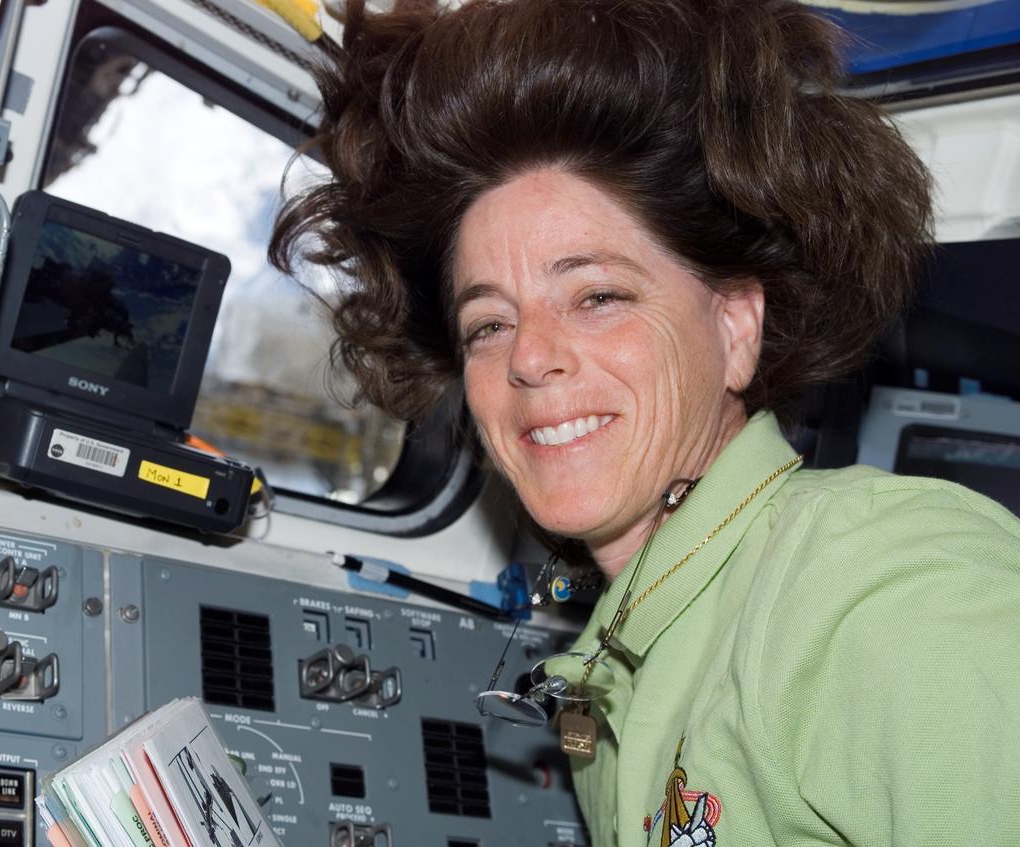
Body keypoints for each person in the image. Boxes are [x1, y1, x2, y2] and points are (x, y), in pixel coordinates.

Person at [270, 0, 1020, 844]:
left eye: (597, 296)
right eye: (488, 324)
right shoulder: (608, 665)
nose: (528, 357)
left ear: (735, 328)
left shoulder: (885, 589)